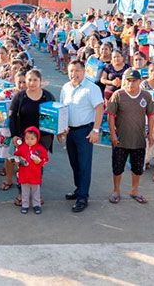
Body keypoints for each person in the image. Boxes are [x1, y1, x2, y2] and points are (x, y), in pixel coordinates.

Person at [58, 60, 104, 213]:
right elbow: (62, 109)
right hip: (70, 132)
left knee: (84, 165)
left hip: (85, 132)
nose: (74, 73)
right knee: (74, 163)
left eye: (77, 70)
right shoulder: (65, 87)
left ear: (84, 71)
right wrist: (61, 129)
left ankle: (83, 197)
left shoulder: (91, 88)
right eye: (71, 70)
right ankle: (79, 189)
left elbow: (99, 108)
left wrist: (95, 130)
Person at [106, 68, 154, 204]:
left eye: (134, 81)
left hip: (139, 139)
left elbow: (151, 116)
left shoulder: (146, 96)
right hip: (120, 140)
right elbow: (111, 116)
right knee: (117, 167)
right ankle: (116, 191)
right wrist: (113, 134)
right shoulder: (118, 95)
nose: (131, 83)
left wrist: (151, 134)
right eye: (128, 80)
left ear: (140, 81)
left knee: (137, 168)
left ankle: (135, 191)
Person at [6, 70, 55, 192]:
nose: (32, 83)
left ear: (40, 81)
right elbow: (12, 117)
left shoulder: (48, 97)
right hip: (24, 137)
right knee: (23, 165)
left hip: (43, 137)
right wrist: (14, 135)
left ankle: (36, 194)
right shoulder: (20, 97)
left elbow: (55, 117)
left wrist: (60, 131)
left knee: (37, 166)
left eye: (35, 80)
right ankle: (22, 193)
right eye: (29, 80)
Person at [14, 126, 49, 214]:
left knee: (36, 191)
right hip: (24, 174)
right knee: (24, 192)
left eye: (32, 139)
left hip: (35, 175)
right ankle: (25, 205)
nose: (29, 141)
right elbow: (16, 155)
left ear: (37, 138)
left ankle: (36, 205)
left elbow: (46, 159)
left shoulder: (40, 149)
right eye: (27, 138)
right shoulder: (22, 147)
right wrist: (17, 160)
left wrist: (40, 161)